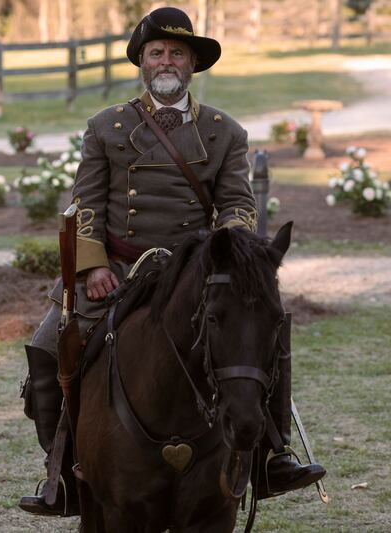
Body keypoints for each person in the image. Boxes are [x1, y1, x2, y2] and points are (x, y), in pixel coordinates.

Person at [19, 6, 325, 516]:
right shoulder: (105, 126)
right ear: (142, 62)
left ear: (191, 65)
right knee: (49, 343)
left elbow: (238, 204)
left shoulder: (225, 132)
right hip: (116, 270)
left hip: (199, 270)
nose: (166, 60)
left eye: (176, 53)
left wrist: (231, 250)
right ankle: (65, 469)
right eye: (156, 52)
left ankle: (274, 455)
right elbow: (87, 202)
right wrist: (92, 266)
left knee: (262, 331)